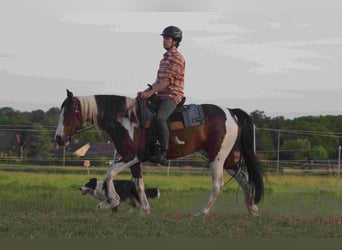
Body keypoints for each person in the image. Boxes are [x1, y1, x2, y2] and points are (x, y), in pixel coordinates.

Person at [137, 25, 185, 164]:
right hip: (160, 95)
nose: (164, 40)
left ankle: (164, 153)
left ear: (175, 41)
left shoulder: (177, 58)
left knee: (160, 118)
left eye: (167, 38)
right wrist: (146, 92)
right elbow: (158, 81)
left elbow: (166, 81)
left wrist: (151, 92)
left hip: (172, 95)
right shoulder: (164, 59)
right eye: (164, 38)